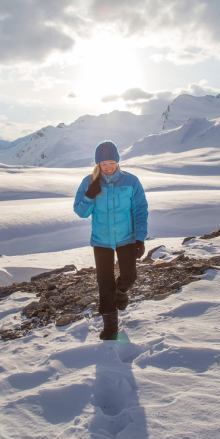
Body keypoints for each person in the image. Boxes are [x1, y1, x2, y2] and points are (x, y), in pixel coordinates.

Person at [73, 140, 148, 340]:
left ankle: (121, 291)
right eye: (103, 163)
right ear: (98, 164)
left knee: (130, 276)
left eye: (111, 162)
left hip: (126, 238)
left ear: (117, 161)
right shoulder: (89, 182)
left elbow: (140, 210)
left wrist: (139, 238)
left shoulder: (131, 181)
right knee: (104, 284)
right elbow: (80, 212)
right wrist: (90, 196)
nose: (107, 167)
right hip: (101, 241)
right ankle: (110, 327)